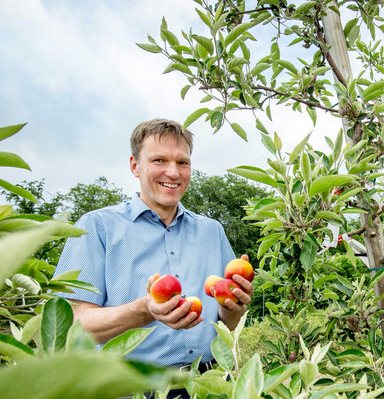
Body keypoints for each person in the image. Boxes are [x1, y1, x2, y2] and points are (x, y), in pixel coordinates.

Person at [53, 118, 253, 379]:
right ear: (135, 166)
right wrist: (144, 310)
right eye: (159, 160)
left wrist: (232, 309)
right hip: (129, 394)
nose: (173, 172)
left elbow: (228, 323)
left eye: (182, 162)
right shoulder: (97, 227)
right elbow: (72, 324)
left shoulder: (212, 231)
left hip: (209, 386)